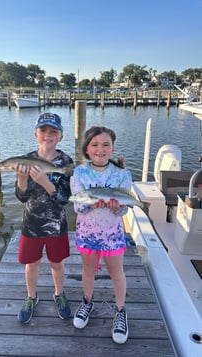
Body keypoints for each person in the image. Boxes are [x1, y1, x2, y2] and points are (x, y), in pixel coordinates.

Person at [70, 125, 132, 344]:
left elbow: (124, 209)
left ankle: (120, 310)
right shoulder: (79, 173)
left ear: (113, 148)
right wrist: (93, 204)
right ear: (87, 149)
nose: (100, 149)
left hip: (113, 234)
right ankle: (87, 302)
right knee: (88, 271)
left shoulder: (123, 174)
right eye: (95, 145)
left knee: (117, 273)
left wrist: (116, 207)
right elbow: (78, 207)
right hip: (87, 233)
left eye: (106, 144)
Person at [13, 112, 73, 324]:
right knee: (32, 263)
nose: (48, 135)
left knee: (57, 263)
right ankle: (31, 296)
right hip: (31, 224)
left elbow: (65, 198)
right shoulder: (25, 160)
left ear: (60, 136)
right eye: (44, 131)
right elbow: (21, 196)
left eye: (53, 131)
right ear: (36, 134)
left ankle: (59, 294)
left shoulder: (65, 161)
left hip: (56, 225)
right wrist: (22, 178)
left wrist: (45, 182)